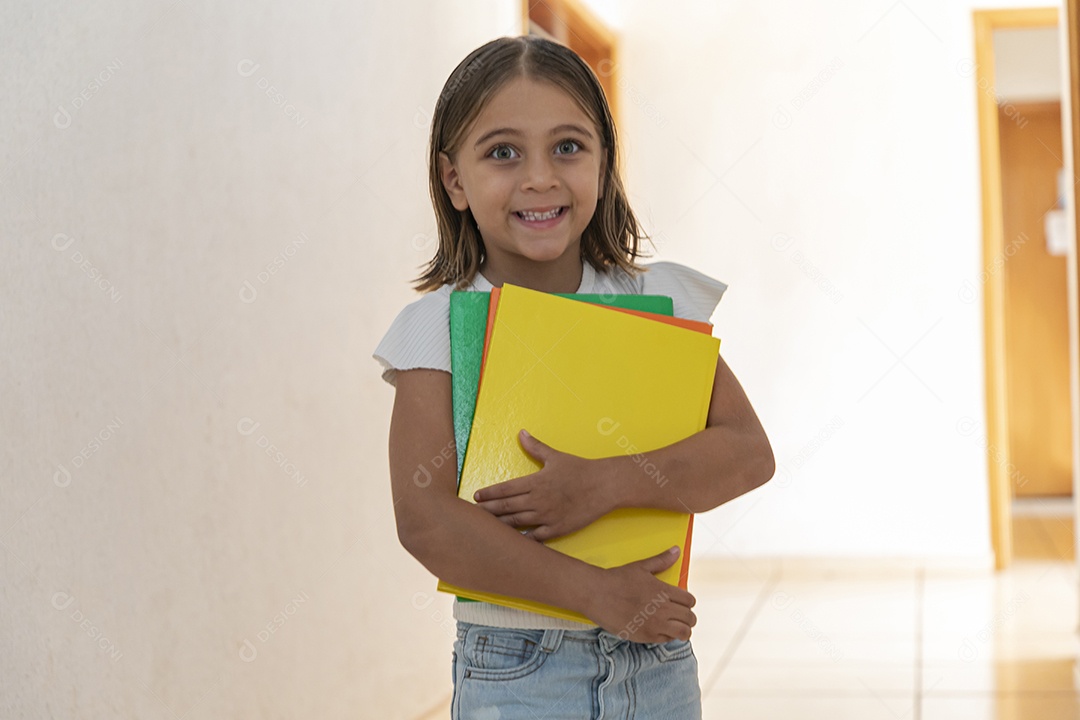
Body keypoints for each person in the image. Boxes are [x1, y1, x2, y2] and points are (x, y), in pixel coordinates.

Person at [373, 35, 774, 720]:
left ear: (603, 164)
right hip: (514, 667)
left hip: (656, 658)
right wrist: (594, 591)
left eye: (568, 146)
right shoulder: (435, 327)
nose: (540, 177)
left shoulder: (658, 305)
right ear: (454, 180)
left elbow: (746, 455)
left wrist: (604, 484)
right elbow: (426, 520)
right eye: (503, 152)